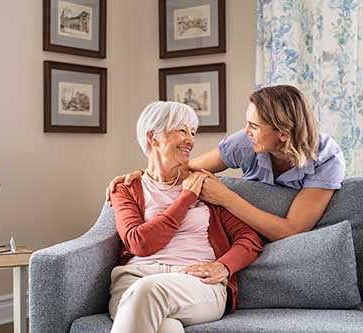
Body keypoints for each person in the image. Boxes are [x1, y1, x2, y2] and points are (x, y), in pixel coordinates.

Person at [107, 85, 346, 241]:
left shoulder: (326, 157)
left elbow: (292, 230)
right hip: (245, 235)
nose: (246, 131)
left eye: (254, 126)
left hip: (287, 242)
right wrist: (142, 175)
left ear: (282, 133)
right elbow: (185, 169)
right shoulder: (244, 143)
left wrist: (225, 196)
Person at [108, 101, 263, 333]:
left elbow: (249, 239)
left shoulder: (206, 185)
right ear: (153, 137)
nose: (190, 140)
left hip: (195, 282)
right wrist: (186, 199)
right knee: (167, 328)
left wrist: (223, 266)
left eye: (193, 132)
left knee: (148, 291)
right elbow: (139, 243)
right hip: (135, 278)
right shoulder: (127, 188)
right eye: (182, 130)